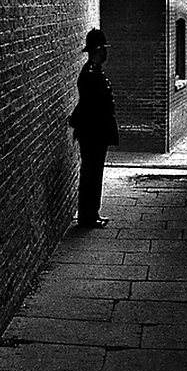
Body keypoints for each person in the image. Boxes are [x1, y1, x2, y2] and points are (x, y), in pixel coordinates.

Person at [69, 28, 119, 228]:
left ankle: (91, 213)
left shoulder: (94, 72)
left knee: (93, 173)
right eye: (104, 49)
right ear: (99, 50)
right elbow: (89, 105)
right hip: (93, 133)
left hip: (95, 132)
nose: (106, 53)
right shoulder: (91, 74)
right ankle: (88, 216)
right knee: (91, 174)